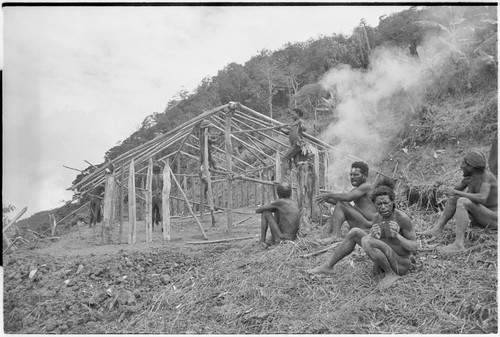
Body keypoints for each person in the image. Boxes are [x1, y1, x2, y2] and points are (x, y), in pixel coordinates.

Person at [307, 180, 418, 290]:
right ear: (374, 204)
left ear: (393, 202)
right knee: (355, 232)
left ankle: (391, 274)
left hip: (401, 264)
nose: (383, 207)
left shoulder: (402, 218)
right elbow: (380, 242)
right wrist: (374, 235)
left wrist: (397, 236)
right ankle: (328, 266)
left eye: (386, 203)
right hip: (385, 262)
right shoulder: (377, 218)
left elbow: (415, 247)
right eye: (379, 204)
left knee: (367, 240)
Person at [418, 149, 498, 253]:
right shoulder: (469, 178)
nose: (461, 167)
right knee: (455, 199)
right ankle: (437, 228)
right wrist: (446, 190)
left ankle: (458, 245)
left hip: (494, 219)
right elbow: (454, 192)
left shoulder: (487, 177)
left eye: (463, 163)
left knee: (462, 201)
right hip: (483, 217)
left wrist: (456, 192)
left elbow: (482, 198)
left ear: (471, 167)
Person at [315, 161, 377, 244]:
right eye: (351, 174)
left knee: (341, 205)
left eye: (356, 175)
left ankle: (335, 236)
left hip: (369, 225)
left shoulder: (367, 186)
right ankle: (334, 235)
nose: (352, 177)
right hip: (364, 222)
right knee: (341, 204)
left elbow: (347, 198)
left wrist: (329, 195)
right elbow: (341, 203)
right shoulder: (357, 190)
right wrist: (325, 199)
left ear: (365, 175)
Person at [255, 182, 301, 249]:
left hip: (283, 238)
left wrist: (271, 207)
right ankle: (272, 239)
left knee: (266, 213)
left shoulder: (280, 202)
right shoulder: (294, 202)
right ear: (290, 193)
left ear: (278, 193)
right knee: (276, 210)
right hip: (292, 238)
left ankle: (262, 242)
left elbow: (258, 210)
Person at [281, 108, 309, 176]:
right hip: (296, 145)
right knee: (297, 163)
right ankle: (303, 177)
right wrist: (280, 129)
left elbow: (304, 128)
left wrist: (290, 125)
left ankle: (282, 178)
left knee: (285, 159)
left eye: (293, 114)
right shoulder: (294, 124)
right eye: (291, 115)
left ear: (298, 114)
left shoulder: (299, 121)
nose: (291, 116)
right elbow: (287, 132)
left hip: (297, 144)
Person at [152, 162, 163, 228]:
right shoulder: (162, 176)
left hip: (152, 194)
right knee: (161, 209)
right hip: (160, 193)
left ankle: (152, 227)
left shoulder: (151, 177)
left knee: (152, 210)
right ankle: (162, 226)